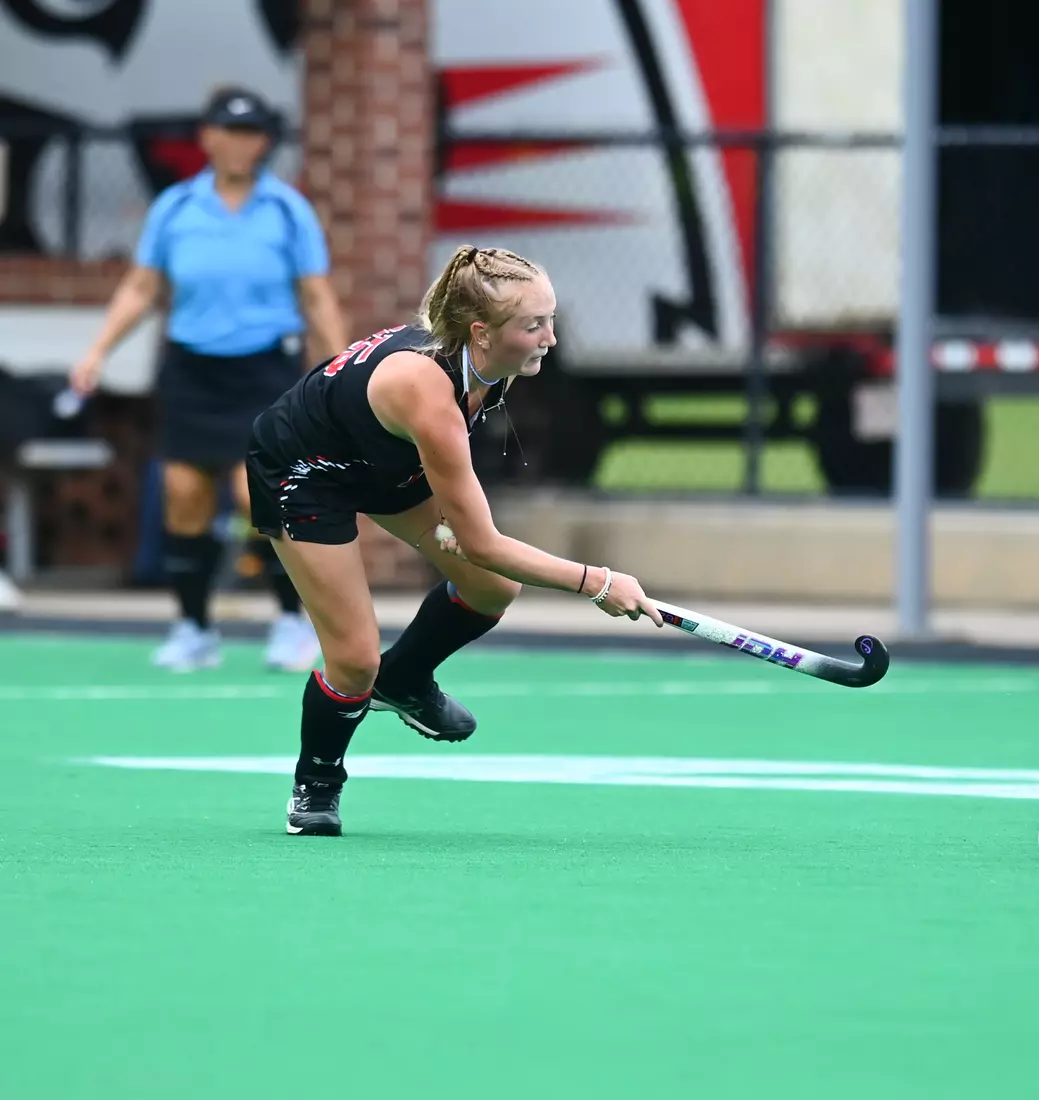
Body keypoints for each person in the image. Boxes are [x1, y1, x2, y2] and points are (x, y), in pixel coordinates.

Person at [248, 244, 663, 836]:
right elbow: (483, 539)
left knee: (491, 587)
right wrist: (597, 582)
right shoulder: (427, 389)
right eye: (533, 325)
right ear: (482, 331)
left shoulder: (485, 364)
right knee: (355, 658)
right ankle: (317, 783)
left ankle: (406, 679)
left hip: (381, 462)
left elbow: (482, 557)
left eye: (551, 319)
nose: (550, 337)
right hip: (305, 474)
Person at [70, 86, 347, 673]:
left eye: (255, 134)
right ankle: (193, 629)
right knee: (185, 498)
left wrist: (341, 367)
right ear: (208, 137)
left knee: (260, 497)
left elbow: (316, 296)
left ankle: (292, 623)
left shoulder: (287, 209)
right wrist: (97, 350)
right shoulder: (175, 207)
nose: (245, 144)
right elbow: (143, 287)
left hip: (265, 368)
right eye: (233, 131)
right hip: (191, 369)